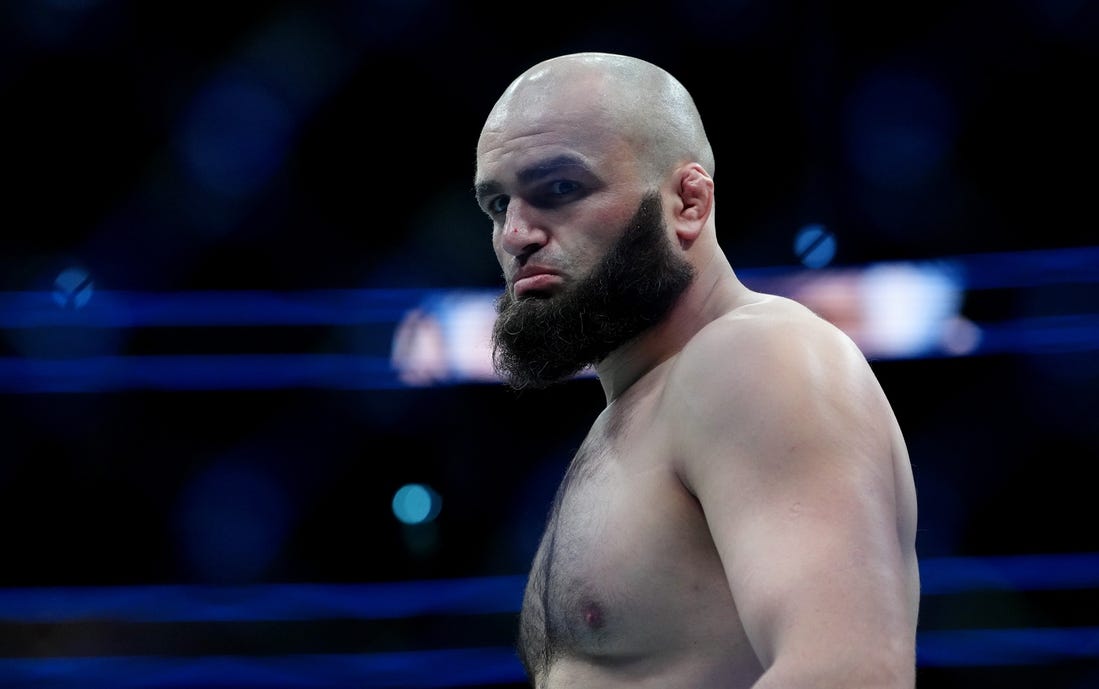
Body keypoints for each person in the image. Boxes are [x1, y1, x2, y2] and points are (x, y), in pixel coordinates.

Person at [473, 52, 919, 688]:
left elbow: (851, 673)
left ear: (688, 201)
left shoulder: (756, 357)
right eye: (496, 204)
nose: (517, 233)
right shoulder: (639, 409)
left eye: (560, 189)